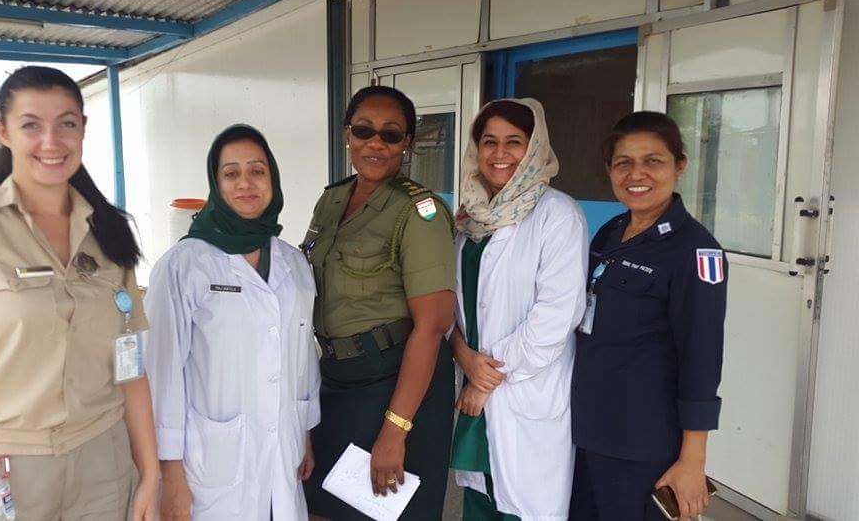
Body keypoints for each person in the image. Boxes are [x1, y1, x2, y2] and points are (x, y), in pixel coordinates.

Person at [0, 66, 158, 520]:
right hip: (4, 471)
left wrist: (150, 474)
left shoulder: (108, 233)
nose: (51, 141)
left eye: (66, 124)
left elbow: (131, 368)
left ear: (83, 129)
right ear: (3, 131)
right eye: (31, 125)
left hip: (103, 465)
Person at [144, 124, 320, 520]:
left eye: (257, 171)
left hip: (284, 448)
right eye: (231, 173)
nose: (246, 183)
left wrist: (305, 434)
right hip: (211, 459)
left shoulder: (294, 263)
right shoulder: (183, 265)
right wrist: (169, 476)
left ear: (272, 179)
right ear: (216, 183)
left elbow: (302, 357)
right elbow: (162, 375)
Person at [302, 85, 456, 519]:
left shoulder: (418, 211)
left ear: (407, 142)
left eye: (391, 134)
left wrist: (395, 430)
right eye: (364, 130)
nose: (375, 143)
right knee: (320, 504)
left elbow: (431, 327)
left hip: (391, 381)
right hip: (335, 377)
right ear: (347, 134)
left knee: (378, 510)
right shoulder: (332, 200)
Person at [570, 111, 727, 520]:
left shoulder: (695, 252)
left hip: (642, 444)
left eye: (652, 161)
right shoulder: (611, 232)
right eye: (623, 163)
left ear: (680, 165)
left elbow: (701, 360)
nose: (636, 174)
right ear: (609, 170)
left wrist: (692, 461)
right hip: (586, 430)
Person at [449, 98, 587, 520]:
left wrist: (483, 378)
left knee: (523, 507)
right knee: (481, 499)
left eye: (514, 142)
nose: (499, 153)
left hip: (521, 390)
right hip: (477, 386)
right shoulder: (471, 217)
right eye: (489, 141)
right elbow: (458, 307)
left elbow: (555, 318)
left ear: (534, 148)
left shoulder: (558, 215)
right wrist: (463, 356)